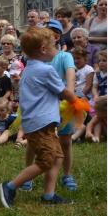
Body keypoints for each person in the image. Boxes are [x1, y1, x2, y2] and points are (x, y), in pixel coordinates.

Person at [0, 27, 82, 208]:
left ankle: (48, 195)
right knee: (46, 160)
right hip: (41, 123)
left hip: (36, 122)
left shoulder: (29, 69)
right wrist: (77, 102)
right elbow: (63, 93)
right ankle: (10, 186)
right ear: (44, 49)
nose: (56, 49)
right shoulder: (46, 71)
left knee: (57, 156)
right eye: (54, 46)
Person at [44, 20, 79, 192]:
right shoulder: (38, 58)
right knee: (41, 140)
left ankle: (67, 175)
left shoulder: (65, 56)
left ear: (57, 36)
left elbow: (70, 75)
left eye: (50, 33)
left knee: (65, 141)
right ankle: (34, 173)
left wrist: (70, 95)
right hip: (43, 104)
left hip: (64, 102)